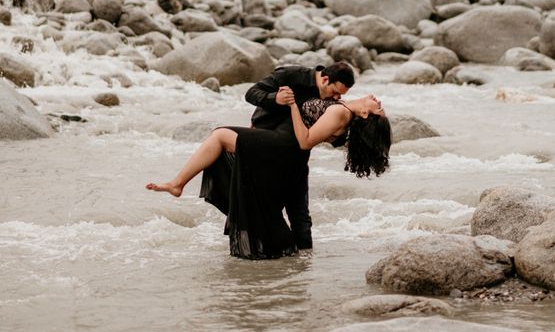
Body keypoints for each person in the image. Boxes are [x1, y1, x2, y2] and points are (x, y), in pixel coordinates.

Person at [146, 93, 390, 260]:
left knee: (220, 135)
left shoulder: (341, 113)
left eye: (377, 107)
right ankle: (299, 257)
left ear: (366, 115)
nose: (377, 100)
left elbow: (305, 141)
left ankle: (177, 184)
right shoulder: (342, 108)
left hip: (283, 146)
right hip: (285, 150)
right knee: (289, 211)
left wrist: (294, 106)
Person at [244, 63, 356, 250]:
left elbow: (332, 137)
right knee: (266, 210)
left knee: (301, 218)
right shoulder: (291, 75)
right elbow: (251, 93)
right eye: (335, 92)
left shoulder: (331, 103)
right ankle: (269, 261)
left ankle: (304, 269)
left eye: (341, 96)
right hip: (266, 145)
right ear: (325, 79)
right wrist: (276, 98)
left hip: (297, 156)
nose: (337, 98)